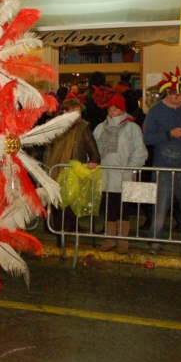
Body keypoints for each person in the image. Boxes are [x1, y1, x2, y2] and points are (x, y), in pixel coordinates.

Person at [142, 68, 181, 255]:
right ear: (168, 93)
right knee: (160, 208)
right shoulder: (155, 111)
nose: (180, 98)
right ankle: (155, 241)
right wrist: (169, 134)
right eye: (177, 95)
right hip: (163, 168)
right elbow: (147, 138)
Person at [93, 94, 148, 254]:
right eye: (109, 108)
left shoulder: (132, 128)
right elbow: (94, 149)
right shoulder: (101, 127)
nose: (111, 111)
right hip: (106, 176)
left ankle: (123, 240)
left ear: (122, 109)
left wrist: (130, 168)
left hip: (124, 175)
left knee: (123, 209)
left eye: (115, 108)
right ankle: (110, 239)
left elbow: (139, 151)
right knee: (109, 208)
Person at [43, 98, 100, 232]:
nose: (78, 115)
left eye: (80, 112)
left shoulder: (83, 127)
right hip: (54, 168)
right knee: (57, 202)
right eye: (75, 112)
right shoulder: (54, 126)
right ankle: (59, 231)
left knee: (71, 200)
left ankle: (70, 229)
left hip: (73, 169)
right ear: (65, 112)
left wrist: (95, 159)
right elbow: (45, 146)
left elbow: (91, 145)